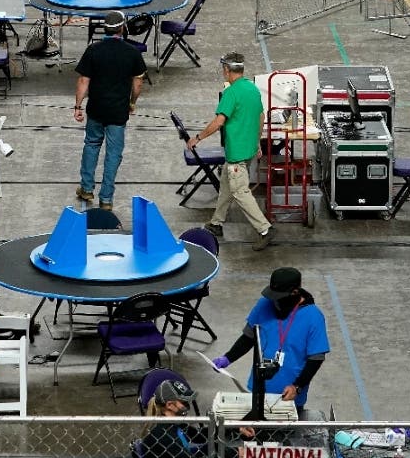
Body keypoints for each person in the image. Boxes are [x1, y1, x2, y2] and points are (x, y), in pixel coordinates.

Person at [187, 52, 275, 251]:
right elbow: (261, 116)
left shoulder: (231, 92)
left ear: (227, 70)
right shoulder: (252, 88)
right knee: (227, 184)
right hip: (249, 148)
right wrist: (257, 143)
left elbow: (219, 122)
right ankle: (216, 223)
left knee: (240, 192)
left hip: (237, 152)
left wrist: (197, 138)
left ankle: (265, 229)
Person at [211, 267, 330, 412]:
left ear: (295, 292)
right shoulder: (264, 304)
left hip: (288, 396)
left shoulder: (314, 317)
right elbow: (248, 338)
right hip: (258, 389)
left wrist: (297, 386)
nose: (275, 301)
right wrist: (227, 358)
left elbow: (315, 359)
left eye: (279, 297)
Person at [73, 10, 147, 211]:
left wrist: (78, 106)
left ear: (104, 28)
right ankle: (106, 199)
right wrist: (132, 103)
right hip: (118, 112)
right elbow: (138, 83)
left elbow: (83, 80)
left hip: (96, 109)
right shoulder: (132, 52)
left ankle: (86, 188)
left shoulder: (93, 50)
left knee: (91, 145)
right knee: (113, 154)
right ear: (122, 28)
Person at [133, 378, 205, 458]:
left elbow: (199, 435)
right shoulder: (163, 434)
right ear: (170, 405)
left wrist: (215, 426)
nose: (187, 405)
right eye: (184, 402)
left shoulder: (174, 424)